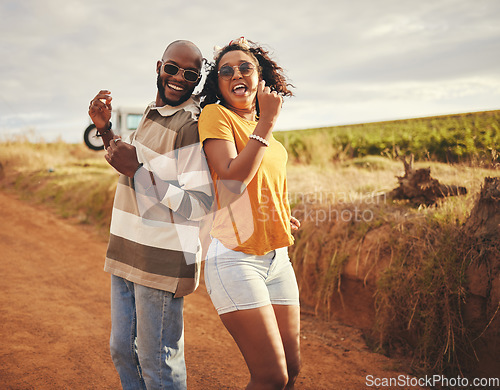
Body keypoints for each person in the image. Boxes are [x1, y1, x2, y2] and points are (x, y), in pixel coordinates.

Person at [88, 40, 212, 390]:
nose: (178, 79)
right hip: (127, 251)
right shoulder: (151, 112)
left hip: (161, 261)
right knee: (123, 351)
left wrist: (140, 171)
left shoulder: (190, 125)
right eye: (172, 68)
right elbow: (130, 164)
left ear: (197, 78)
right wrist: (105, 130)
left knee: (158, 364)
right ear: (159, 67)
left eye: (190, 74)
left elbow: (201, 203)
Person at [197, 37, 301, 390]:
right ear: (219, 84)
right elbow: (230, 178)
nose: (236, 74)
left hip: (277, 257)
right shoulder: (217, 116)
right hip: (235, 258)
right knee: (271, 377)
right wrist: (268, 120)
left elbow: (262, 185)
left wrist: (278, 216)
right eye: (226, 70)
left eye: (245, 67)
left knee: (292, 369)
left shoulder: (261, 128)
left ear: (261, 77)